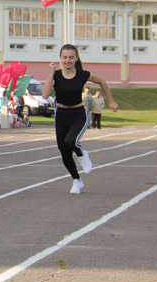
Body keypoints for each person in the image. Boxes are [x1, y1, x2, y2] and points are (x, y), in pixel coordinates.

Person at [42, 44, 118, 195]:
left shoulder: (83, 74)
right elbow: (45, 95)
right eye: (64, 57)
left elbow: (102, 81)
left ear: (76, 58)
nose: (68, 60)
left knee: (71, 142)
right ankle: (76, 180)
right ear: (60, 58)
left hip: (78, 114)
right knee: (64, 152)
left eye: (71, 57)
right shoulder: (56, 75)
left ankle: (82, 155)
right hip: (61, 114)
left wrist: (110, 101)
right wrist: (51, 73)